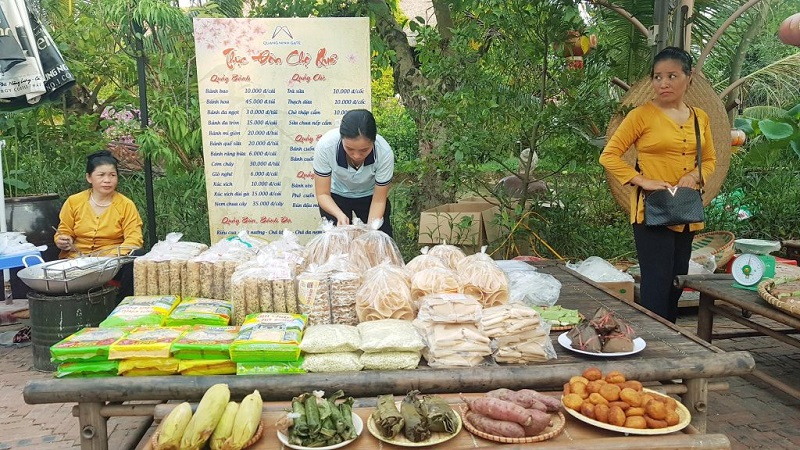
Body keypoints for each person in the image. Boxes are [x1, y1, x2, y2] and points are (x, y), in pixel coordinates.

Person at [599, 47, 716, 323]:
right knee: (656, 281)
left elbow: (710, 159)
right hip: (652, 212)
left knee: (677, 279)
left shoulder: (700, 118)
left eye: (672, 76)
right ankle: (654, 340)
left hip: (685, 212)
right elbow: (609, 156)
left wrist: (696, 176)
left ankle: (670, 333)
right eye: (657, 77)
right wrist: (642, 180)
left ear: (689, 78)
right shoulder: (641, 115)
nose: (663, 83)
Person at [55, 150, 143, 299]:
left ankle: (121, 305)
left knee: (138, 257)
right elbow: (63, 231)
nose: (107, 180)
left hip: (112, 263)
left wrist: (108, 258)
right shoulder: (74, 202)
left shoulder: (125, 205)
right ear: (89, 177)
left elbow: (134, 240)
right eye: (101, 175)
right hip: (77, 260)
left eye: (112, 175)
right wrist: (62, 240)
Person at [312, 109, 395, 236]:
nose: (356, 155)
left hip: (370, 196)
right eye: (350, 149)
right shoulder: (326, 147)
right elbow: (323, 194)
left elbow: (379, 200)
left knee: (377, 241)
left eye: (364, 150)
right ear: (342, 138)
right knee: (337, 243)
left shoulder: (384, 152)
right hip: (336, 196)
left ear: (374, 141)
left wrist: (371, 231)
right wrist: (339, 215)